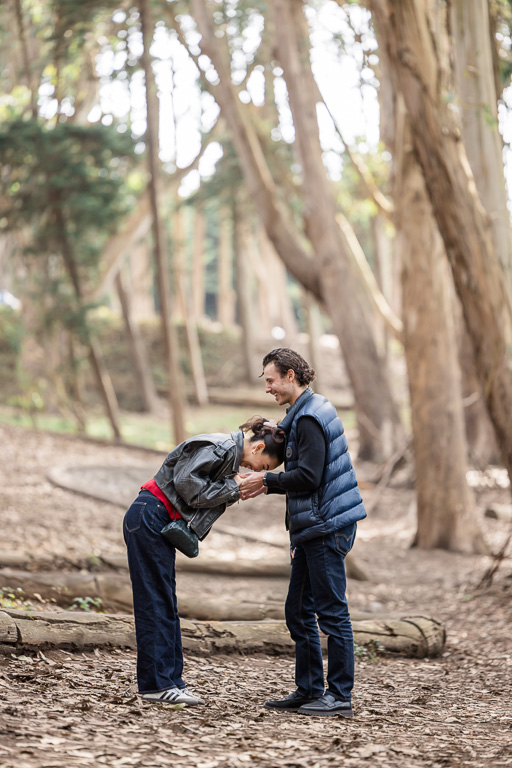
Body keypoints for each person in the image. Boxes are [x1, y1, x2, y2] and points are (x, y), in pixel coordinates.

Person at [123, 416, 285, 707]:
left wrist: (231, 487)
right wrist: (233, 489)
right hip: (150, 515)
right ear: (259, 448)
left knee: (165, 601)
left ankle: (171, 682)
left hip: (157, 520)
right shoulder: (220, 447)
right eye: (264, 466)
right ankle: (155, 685)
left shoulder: (228, 456)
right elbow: (187, 485)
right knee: (154, 601)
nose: (257, 472)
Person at [240, 348, 367, 718]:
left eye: (271, 380)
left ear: (291, 375)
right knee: (298, 610)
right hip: (313, 529)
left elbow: (309, 478)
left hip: (326, 526)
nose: (268, 389)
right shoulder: (306, 412)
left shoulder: (309, 417)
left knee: (331, 612)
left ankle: (339, 695)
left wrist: (267, 479)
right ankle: (309, 688)